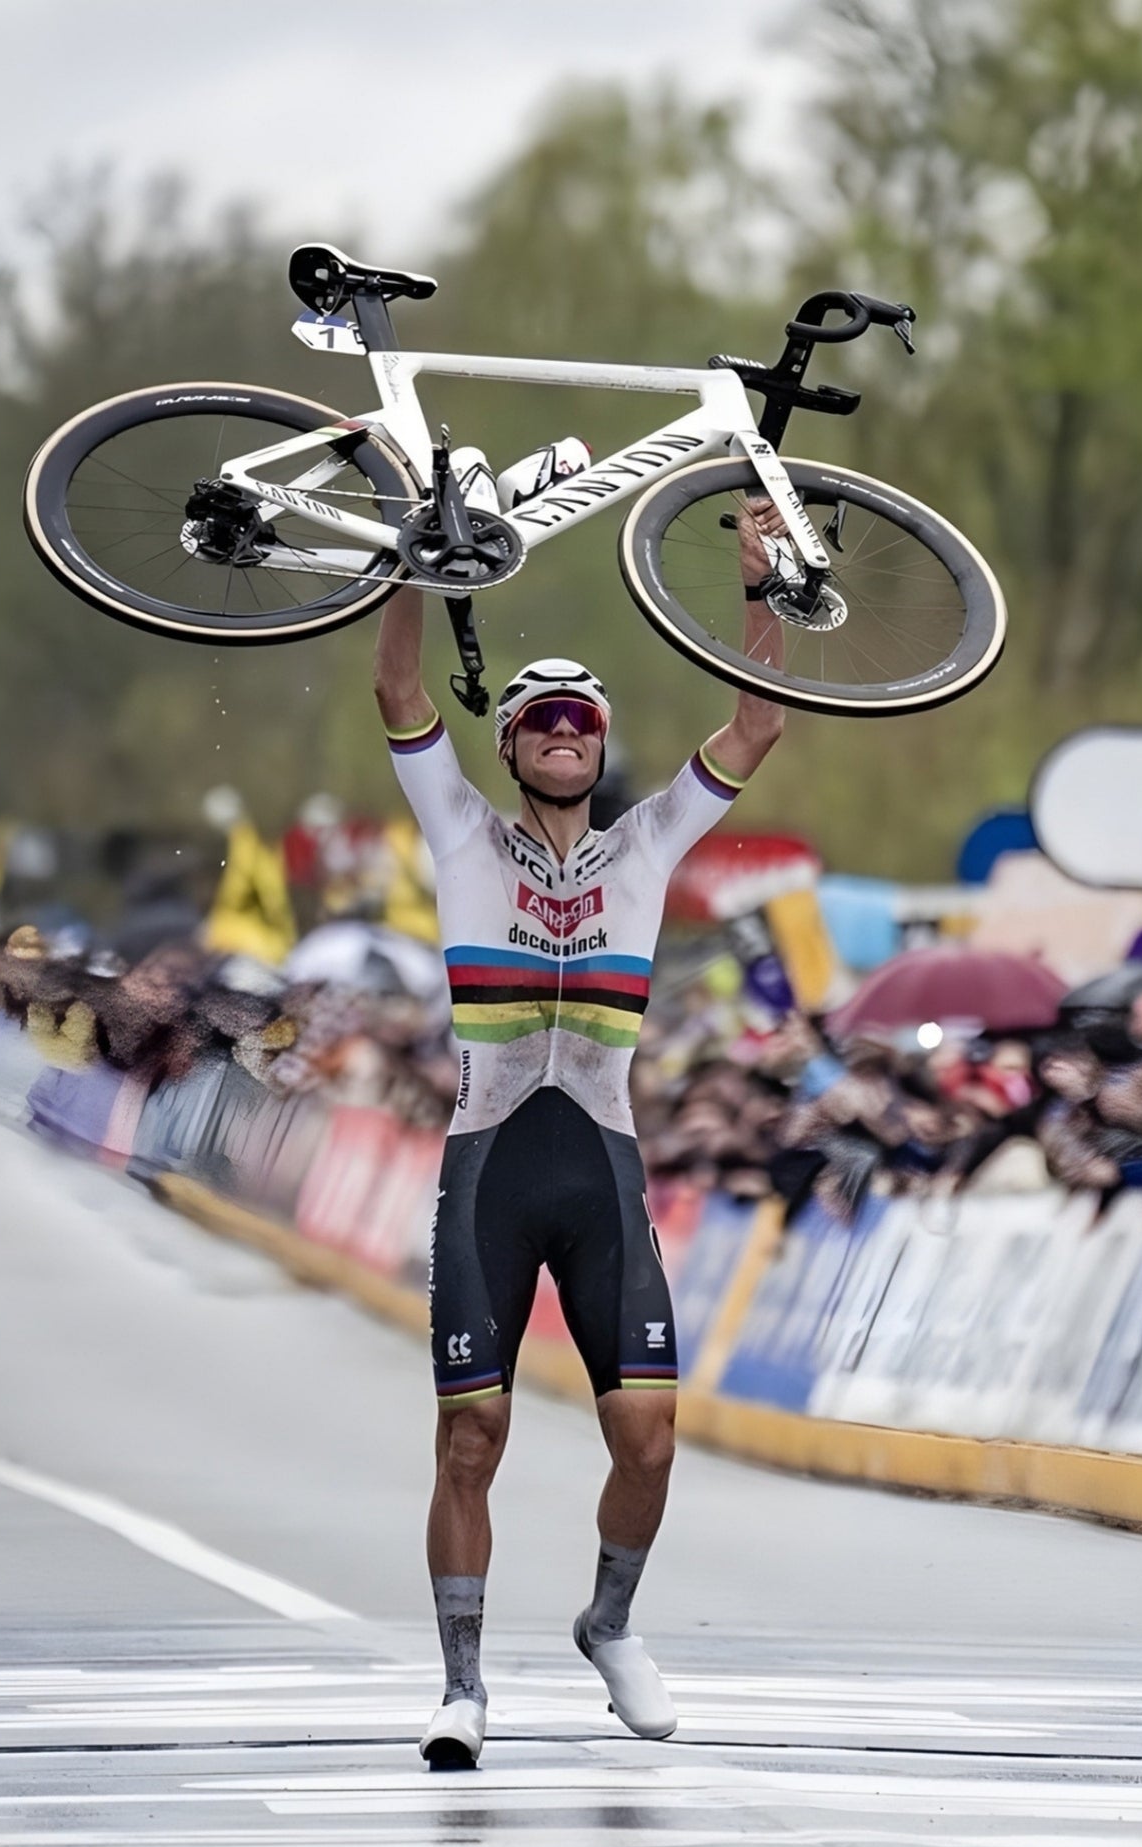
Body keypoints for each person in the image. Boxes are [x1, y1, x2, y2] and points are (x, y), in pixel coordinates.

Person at [373, 501, 789, 1769]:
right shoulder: (458, 828)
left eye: (583, 722)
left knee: (650, 1436)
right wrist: (409, 553)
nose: (563, 733)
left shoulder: (651, 840)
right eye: (541, 721)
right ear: (509, 745)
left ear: (601, 747)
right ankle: (460, 1687)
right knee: (471, 1435)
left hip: (600, 1162)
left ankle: (607, 1624)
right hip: (490, 1163)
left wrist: (756, 574)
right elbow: (396, 678)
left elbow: (756, 723)